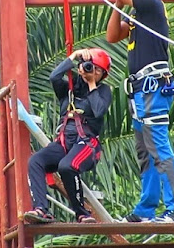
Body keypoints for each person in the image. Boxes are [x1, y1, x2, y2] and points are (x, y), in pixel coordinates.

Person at [59, 0, 174, 223]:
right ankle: (146, 210)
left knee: (159, 147)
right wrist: (118, 1)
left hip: (153, 89)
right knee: (145, 152)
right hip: (140, 92)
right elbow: (111, 35)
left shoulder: (152, 3)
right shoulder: (139, 19)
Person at [24, 48, 113, 224]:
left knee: (67, 166)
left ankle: (82, 213)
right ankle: (41, 209)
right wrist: (74, 57)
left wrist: (92, 84)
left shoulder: (103, 91)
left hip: (87, 144)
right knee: (35, 161)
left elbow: (98, 110)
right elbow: (54, 77)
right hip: (64, 143)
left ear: (102, 75)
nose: (91, 71)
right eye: (89, 66)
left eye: (97, 70)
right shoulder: (69, 90)